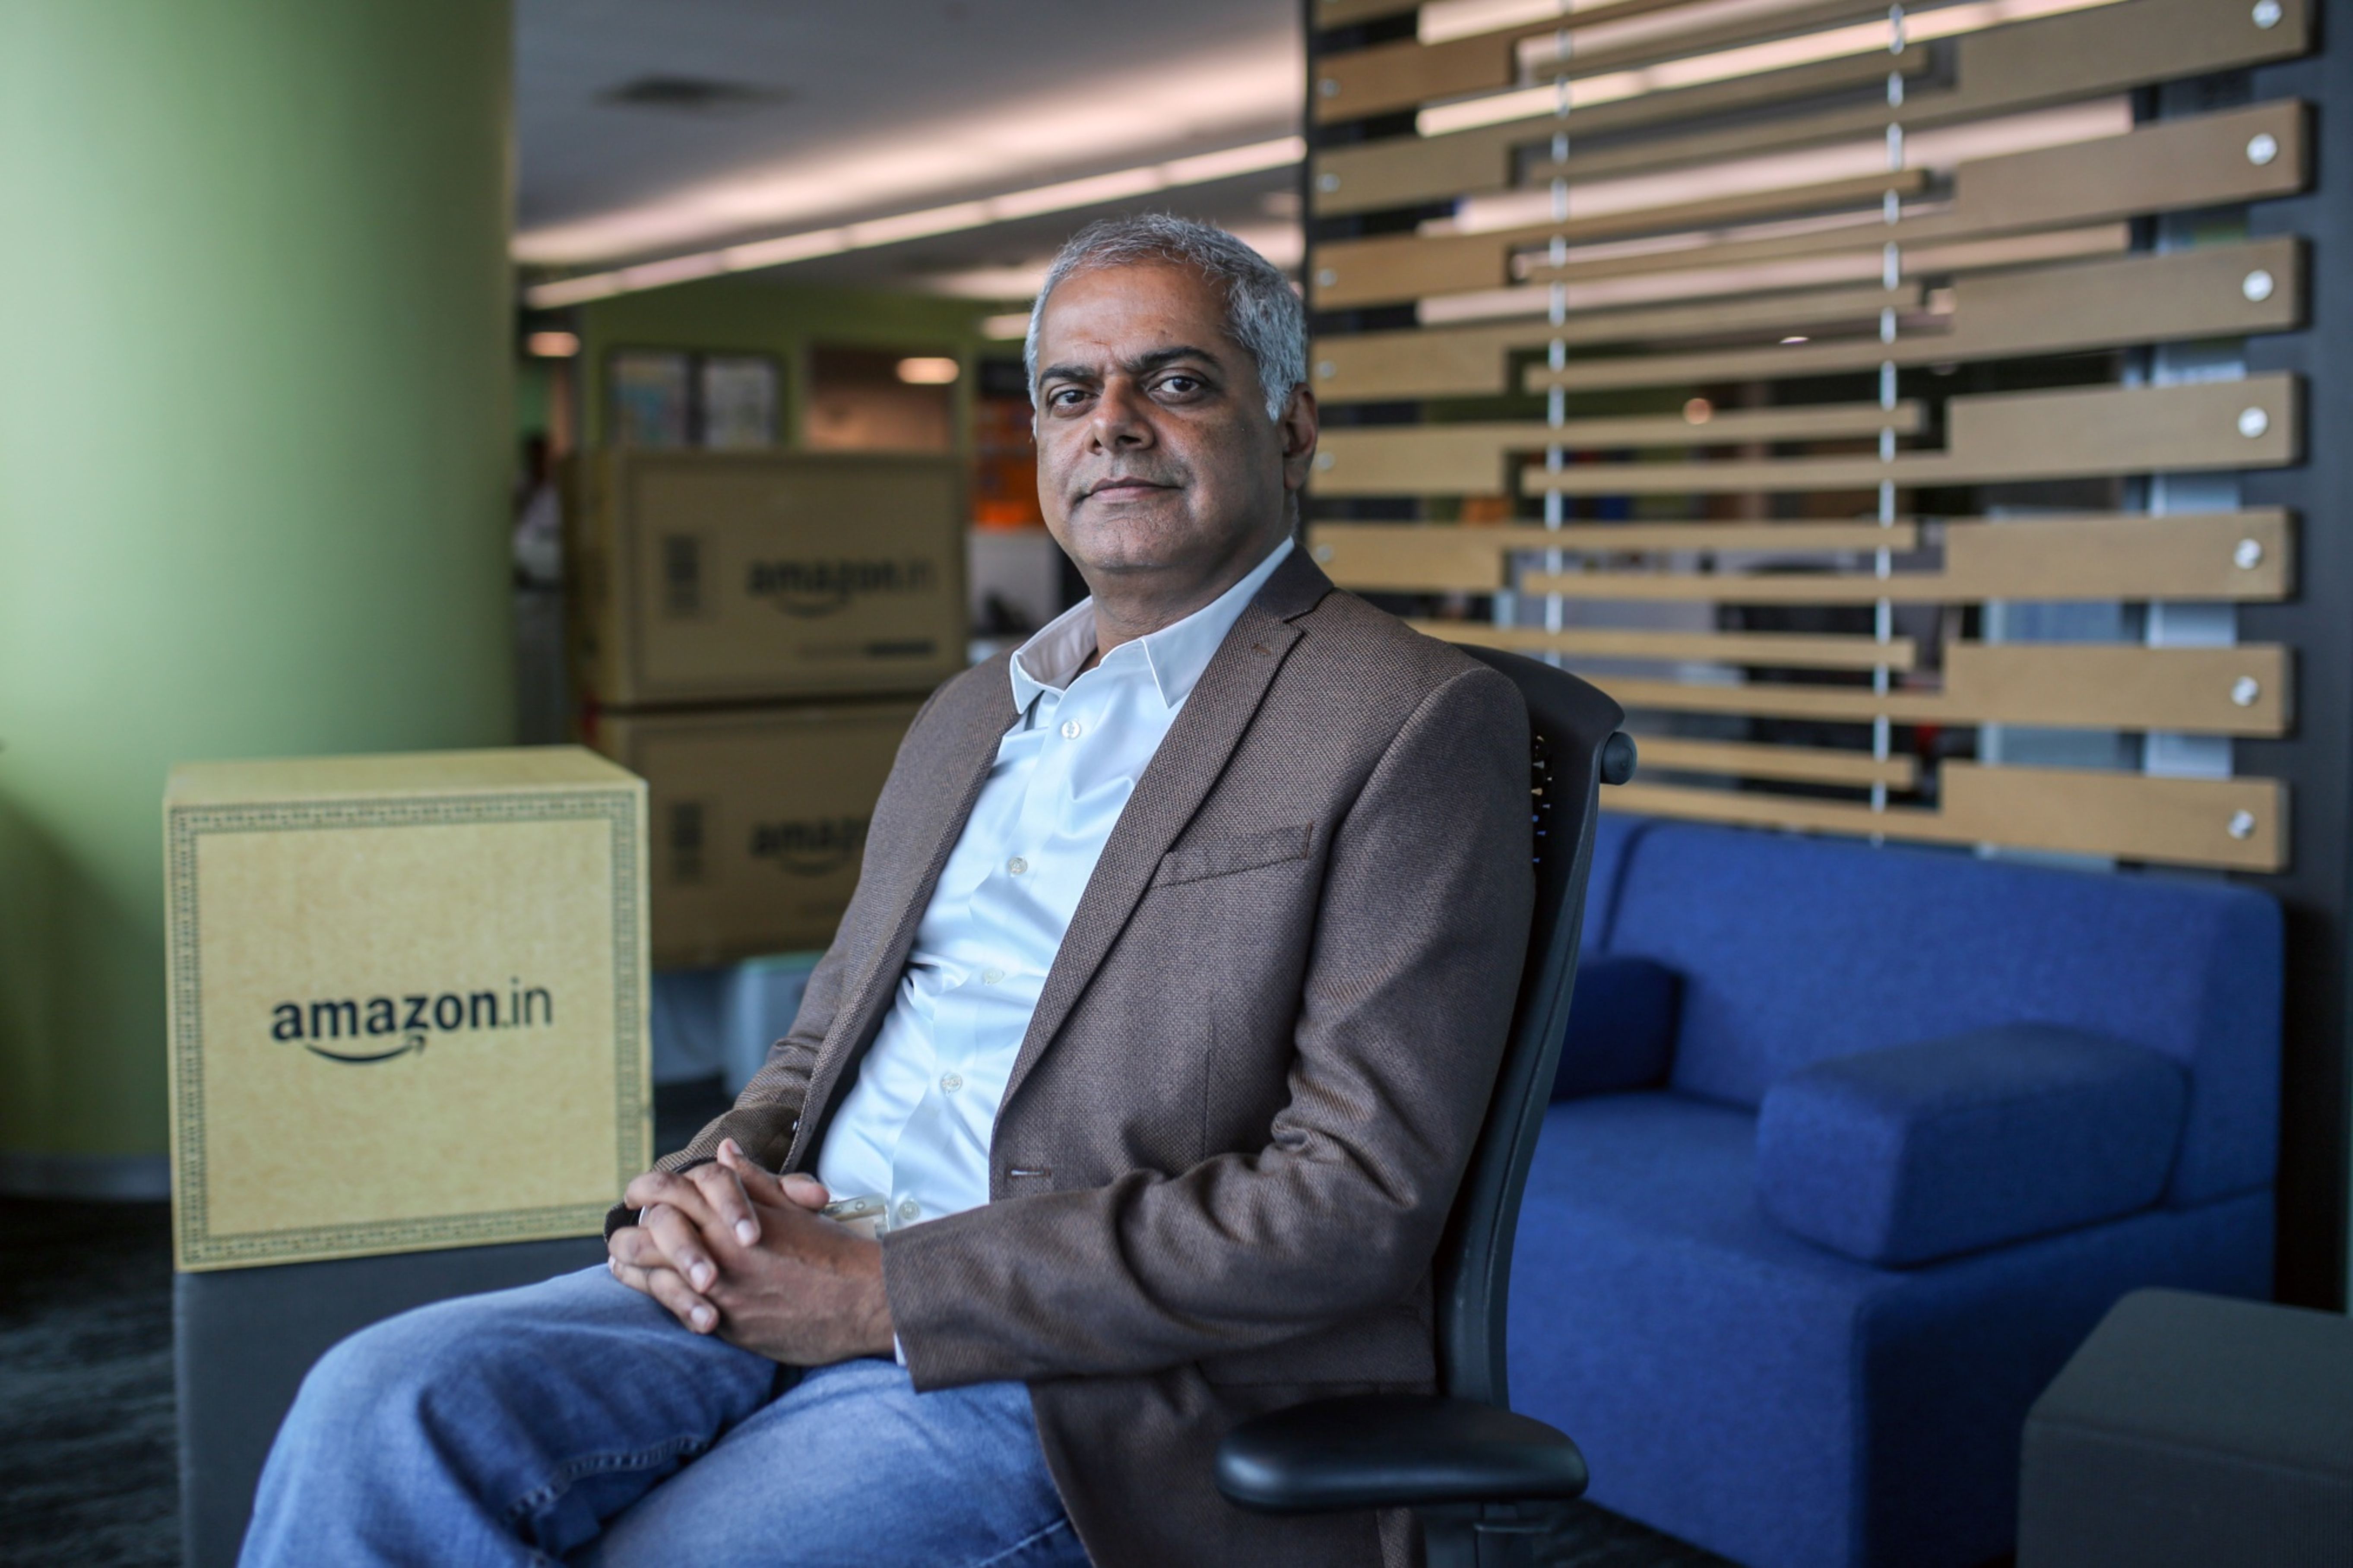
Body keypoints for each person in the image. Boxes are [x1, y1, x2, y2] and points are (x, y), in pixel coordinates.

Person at [241, 215, 1534, 1568]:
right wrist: (701, 1192)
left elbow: (1352, 1201)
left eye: (1175, 381)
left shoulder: (1406, 718)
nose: (1111, 423)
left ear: (1290, 427)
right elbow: (821, 1042)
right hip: (799, 1248)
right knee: (378, 1409)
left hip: (1076, 1368)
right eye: (1067, 392)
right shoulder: (970, 712)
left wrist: (889, 1296)